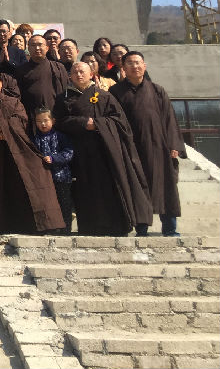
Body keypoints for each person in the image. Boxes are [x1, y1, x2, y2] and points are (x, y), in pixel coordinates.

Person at [53, 62, 152, 236]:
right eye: (74, 72)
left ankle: (115, 226)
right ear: (70, 76)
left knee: (108, 188)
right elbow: (59, 122)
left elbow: (119, 121)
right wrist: (83, 123)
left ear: (91, 74)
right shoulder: (63, 98)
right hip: (78, 152)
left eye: (82, 71)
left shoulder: (104, 96)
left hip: (104, 150)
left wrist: (98, 124)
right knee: (84, 189)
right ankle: (89, 227)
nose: (78, 74)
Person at [0, 71, 65, 234]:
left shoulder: (13, 102)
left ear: (1, 83)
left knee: (30, 179)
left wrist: (3, 127)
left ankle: (32, 226)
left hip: (15, 152)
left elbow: (22, 120)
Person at [110, 51, 186, 237]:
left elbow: (169, 119)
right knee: (137, 187)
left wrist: (174, 145)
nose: (134, 66)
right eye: (130, 63)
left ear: (144, 66)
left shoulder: (157, 90)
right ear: (124, 68)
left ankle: (169, 228)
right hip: (131, 149)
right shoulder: (115, 92)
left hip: (158, 148)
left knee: (165, 187)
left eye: (138, 63)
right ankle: (141, 229)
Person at [32, 107, 74, 234]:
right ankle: (49, 227)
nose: (43, 124)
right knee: (48, 204)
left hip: (61, 176)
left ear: (53, 121)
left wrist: (54, 159)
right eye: (39, 121)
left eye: (45, 120)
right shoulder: (34, 139)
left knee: (64, 203)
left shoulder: (60, 136)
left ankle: (65, 228)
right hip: (44, 179)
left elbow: (69, 152)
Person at [16, 35, 68, 127]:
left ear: (47, 48)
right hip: (32, 119)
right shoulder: (21, 70)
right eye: (33, 45)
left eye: (40, 45)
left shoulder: (58, 67)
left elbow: (65, 92)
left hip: (56, 117)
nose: (37, 48)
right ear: (28, 48)